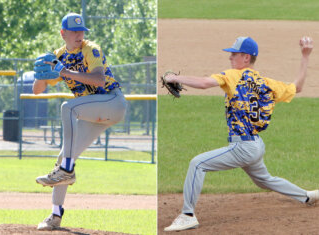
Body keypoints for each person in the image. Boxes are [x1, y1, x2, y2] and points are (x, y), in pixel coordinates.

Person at [163, 36, 318, 232]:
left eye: (234, 54)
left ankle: (187, 215)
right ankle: (307, 195)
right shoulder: (265, 82)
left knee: (197, 164)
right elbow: (298, 86)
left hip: (243, 147)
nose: (230, 58)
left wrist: (174, 78)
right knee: (265, 180)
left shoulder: (233, 75)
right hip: (256, 145)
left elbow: (204, 83)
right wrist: (305, 56)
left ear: (246, 57)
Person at [33, 13, 127, 230]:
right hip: (91, 113)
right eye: (74, 31)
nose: (79, 35)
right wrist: (42, 73)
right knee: (64, 155)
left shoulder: (90, 49)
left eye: (81, 30)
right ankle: (55, 215)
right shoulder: (58, 56)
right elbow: (37, 91)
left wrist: (63, 71)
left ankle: (67, 170)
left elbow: (99, 79)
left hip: (112, 102)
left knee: (67, 107)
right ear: (63, 33)